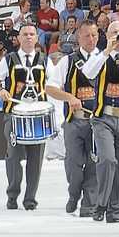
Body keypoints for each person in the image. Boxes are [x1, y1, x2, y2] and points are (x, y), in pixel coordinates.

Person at [74, 20, 119, 224]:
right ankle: (100, 204)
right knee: (107, 160)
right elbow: (88, 73)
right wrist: (107, 50)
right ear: (106, 35)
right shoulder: (101, 57)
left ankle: (116, 211)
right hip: (104, 117)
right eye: (114, 32)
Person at [0, 23, 51, 211]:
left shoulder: (45, 60)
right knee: (13, 156)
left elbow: (55, 84)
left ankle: (30, 199)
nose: (28, 37)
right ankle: (13, 193)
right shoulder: (9, 59)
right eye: (24, 34)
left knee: (36, 159)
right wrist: (0, 90)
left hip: (38, 115)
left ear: (37, 38)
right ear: (18, 38)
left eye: (32, 34)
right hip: (14, 113)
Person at [45, 21, 101, 217]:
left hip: (98, 122)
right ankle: (74, 193)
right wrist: (69, 97)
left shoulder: (104, 59)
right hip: (75, 121)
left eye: (94, 35)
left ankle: (89, 204)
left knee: (95, 163)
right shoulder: (68, 61)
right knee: (74, 162)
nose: (91, 39)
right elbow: (50, 87)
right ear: (78, 38)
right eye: (87, 36)